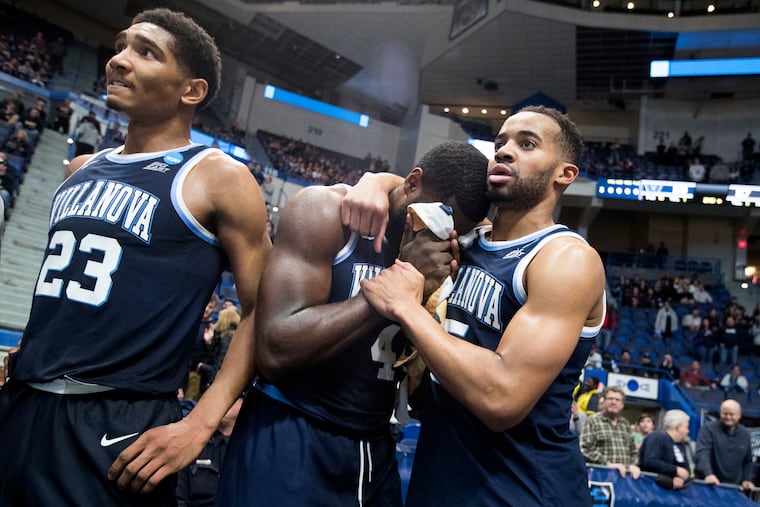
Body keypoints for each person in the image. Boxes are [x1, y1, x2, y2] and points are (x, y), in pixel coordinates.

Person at [0, 9, 272, 506]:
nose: (119, 61)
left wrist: (200, 423)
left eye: (145, 52)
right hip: (23, 404)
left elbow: (262, 310)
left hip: (118, 425)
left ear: (191, 91)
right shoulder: (79, 169)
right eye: (122, 46)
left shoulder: (219, 177)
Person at [217, 141, 490, 506]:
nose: (442, 233)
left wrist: (424, 309)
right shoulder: (325, 211)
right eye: (440, 217)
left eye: (456, 229)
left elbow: (424, 400)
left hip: (374, 444)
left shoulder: (446, 256)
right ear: (412, 184)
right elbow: (275, 349)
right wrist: (391, 291)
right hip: (291, 430)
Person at [359, 106, 606, 505]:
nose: (505, 151)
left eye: (526, 144)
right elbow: (416, 186)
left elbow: (502, 399)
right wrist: (371, 182)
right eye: (500, 143)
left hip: (521, 489)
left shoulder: (564, 260)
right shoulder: (469, 239)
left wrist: (408, 309)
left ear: (565, 173)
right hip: (441, 478)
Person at [175, 398, 243, 507]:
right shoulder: (193, 446)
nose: (220, 406)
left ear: (242, 403)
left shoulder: (248, 450)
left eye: (230, 400)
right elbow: (179, 498)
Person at [581, 386, 641, 479]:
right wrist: (608, 464)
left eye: (617, 400)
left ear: (622, 404)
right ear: (604, 401)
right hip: (600, 477)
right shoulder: (593, 421)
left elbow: (633, 451)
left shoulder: (625, 424)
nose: (613, 402)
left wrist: (632, 465)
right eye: (610, 399)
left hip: (623, 481)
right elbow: (584, 449)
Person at [695, 399, 755, 491]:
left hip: (734, 489)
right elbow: (702, 453)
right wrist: (708, 474)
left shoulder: (745, 434)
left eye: (732, 414)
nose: (728, 417)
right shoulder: (708, 429)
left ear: (739, 416)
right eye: (725, 413)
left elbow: (748, 461)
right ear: (720, 413)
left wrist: (747, 479)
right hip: (709, 486)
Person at [638, 409, 692, 490]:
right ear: (678, 427)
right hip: (649, 489)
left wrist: (680, 477)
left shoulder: (680, 444)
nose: (688, 431)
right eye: (686, 427)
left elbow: (685, 469)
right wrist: (675, 470)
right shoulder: (657, 437)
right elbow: (650, 461)